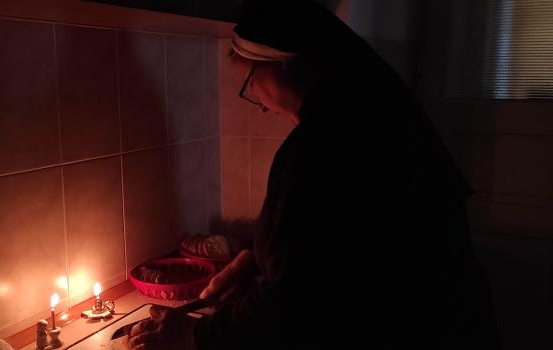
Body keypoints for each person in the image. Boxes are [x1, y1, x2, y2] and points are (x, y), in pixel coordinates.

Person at [128, 0, 501, 349]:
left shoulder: (324, 145)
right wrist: (257, 257)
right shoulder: (376, 116)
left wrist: (193, 332)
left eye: (250, 81)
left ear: (282, 63)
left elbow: (293, 300)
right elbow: (338, 242)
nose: (257, 101)